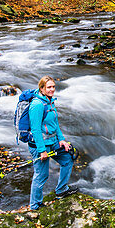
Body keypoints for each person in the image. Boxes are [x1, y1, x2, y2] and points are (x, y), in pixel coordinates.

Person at [28, 76, 74, 210]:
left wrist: (61, 140)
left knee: (67, 158)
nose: (52, 89)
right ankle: (35, 205)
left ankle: (61, 190)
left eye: (53, 86)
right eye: (49, 87)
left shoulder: (50, 102)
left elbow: (55, 124)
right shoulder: (37, 105)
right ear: (41, 88)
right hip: (39, 145)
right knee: (42, 175)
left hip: (53, 141)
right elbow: (35, 129)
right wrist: (42, 150)